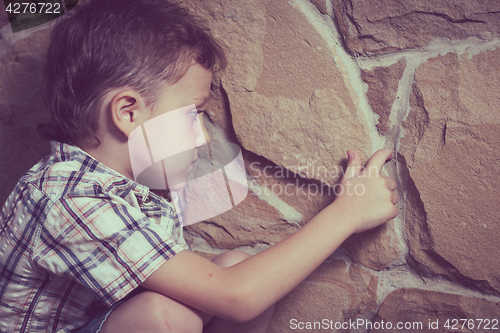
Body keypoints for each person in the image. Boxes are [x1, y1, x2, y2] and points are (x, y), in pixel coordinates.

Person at [0, 0, 399, 332]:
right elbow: (235, 297)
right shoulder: (70, 201)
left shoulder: (127, 184)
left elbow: (238, 289)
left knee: (238, 267)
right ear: (127, 112)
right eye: (194, 115)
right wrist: (345, 215)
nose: (204, 138)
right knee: (164, 317)